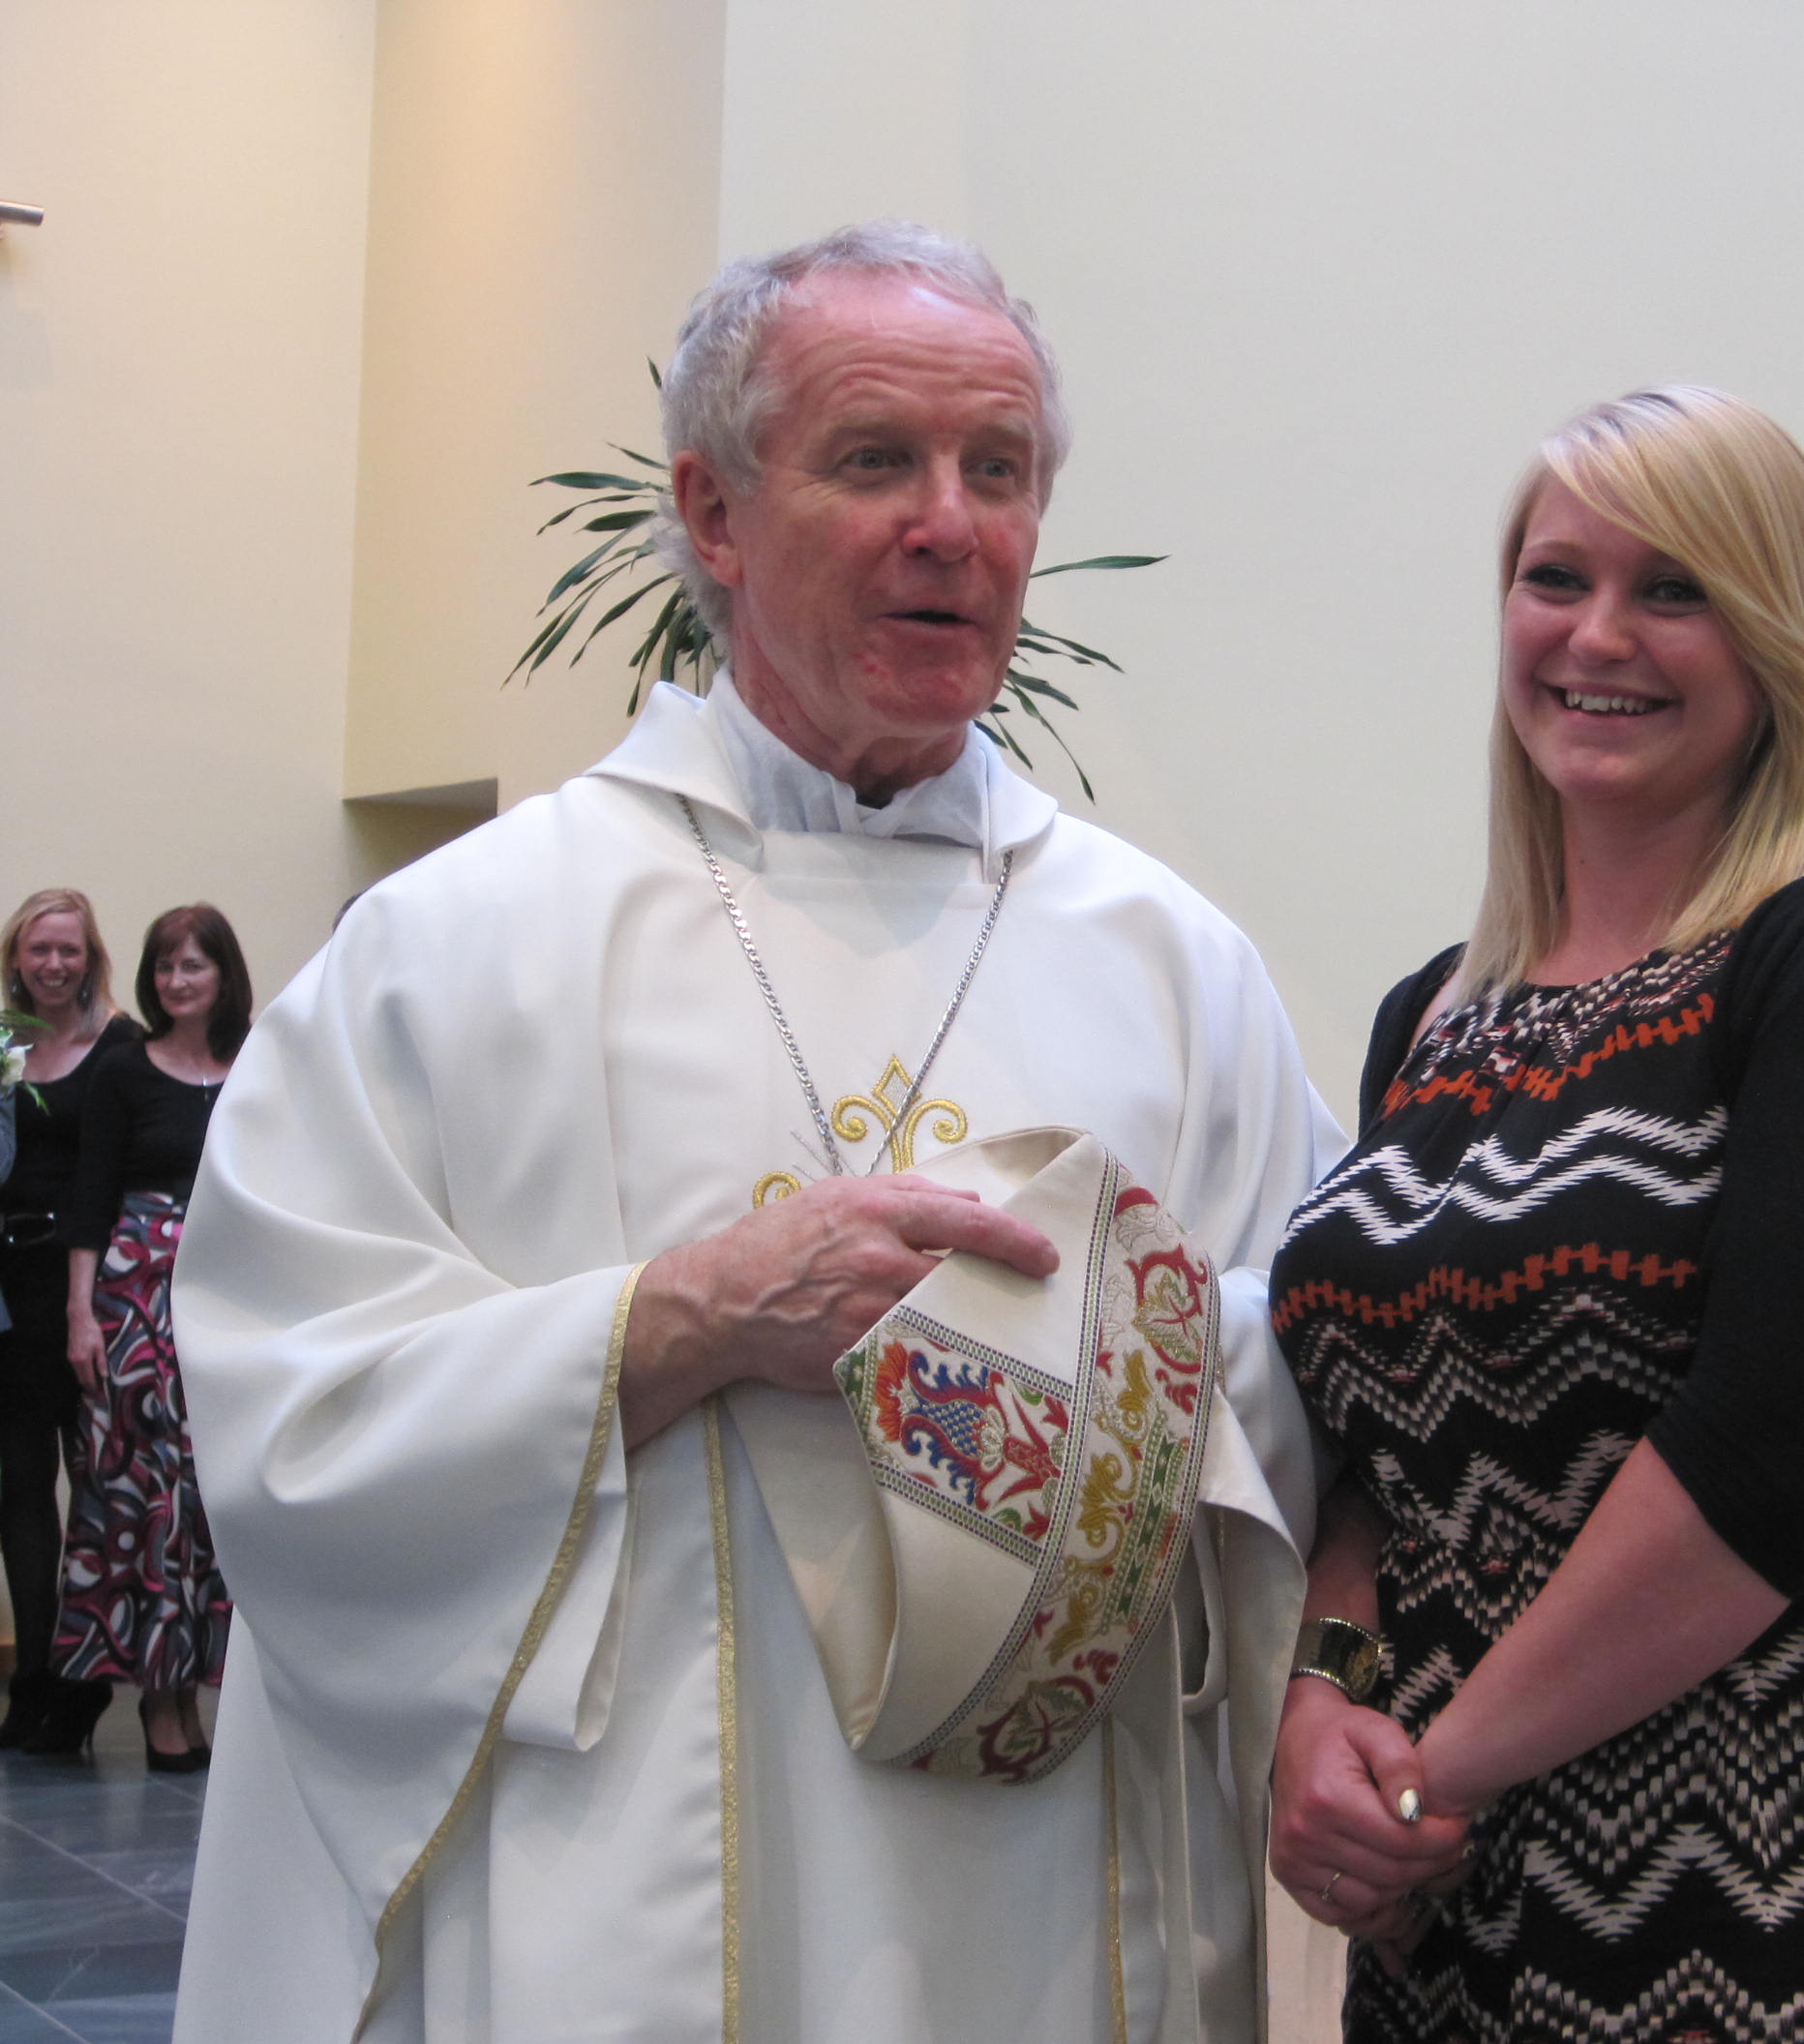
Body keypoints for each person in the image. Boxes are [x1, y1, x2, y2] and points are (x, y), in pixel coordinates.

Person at [170, 220, 1334, 2044]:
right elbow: (287, 1410)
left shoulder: (1173, 966)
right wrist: (685, 1319)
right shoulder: (457, 947)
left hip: (1054, 1896)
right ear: (712, 513)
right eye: (876, 460)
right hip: (622, 1895)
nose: (950, 524)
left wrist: (1121, 1348)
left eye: (999, 470)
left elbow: (1319, 1381)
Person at [1266, 388, 1804, 2043]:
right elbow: (1370, 1459)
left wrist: (1424, 1780)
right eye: (1556, 578)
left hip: (1778, 1875)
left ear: (1776, 642)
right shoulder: (1430, 1015)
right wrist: (1327, 1695)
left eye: (1674, 589)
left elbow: (1759, 1470)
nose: (1598, 634)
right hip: (1449, 1903)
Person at [57, 904, 245, 1768]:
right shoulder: (123, 1071)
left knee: (213, 1496)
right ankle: (160, 1703)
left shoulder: (258, 1065)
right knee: (143, 1494)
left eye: (192, 966)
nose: (176, 981)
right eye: (164, 967)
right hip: (134, 1305)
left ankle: (201, 1691)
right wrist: (79, 1314)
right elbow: (90, 1197)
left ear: (224, 975)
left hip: (231, 1298)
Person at [0, 888, 139, 1755]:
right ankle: (32, 1682)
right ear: (16, 958)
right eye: (38, 950)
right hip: (12, 1288)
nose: (54, 965)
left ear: (91, 958)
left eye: (69, 950)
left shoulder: (121, 1047)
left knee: (98, 1485)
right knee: (21, 1488)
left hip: (93, 1288)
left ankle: (85, 1679)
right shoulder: (2, 1043)